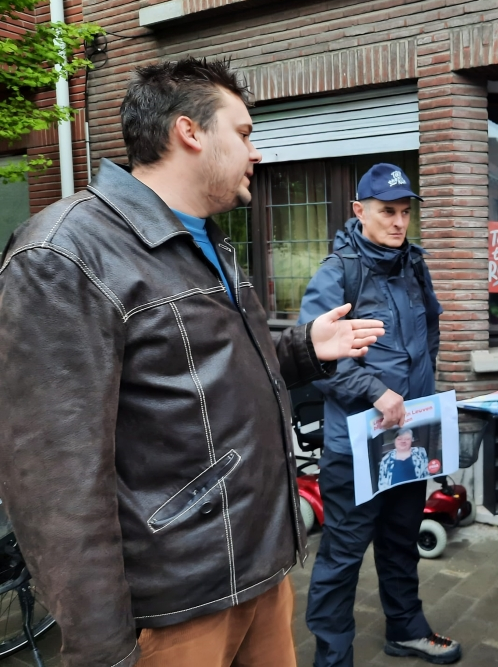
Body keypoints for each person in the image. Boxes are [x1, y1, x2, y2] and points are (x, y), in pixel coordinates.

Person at [0, 58, 385, 667]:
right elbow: (55, 480)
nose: (256, 151)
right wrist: (103, 650)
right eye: (245, 132)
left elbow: (202, 386)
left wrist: (303, 350)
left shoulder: (205, 240)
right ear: (190, 132)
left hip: (259, 571)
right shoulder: (64, 254)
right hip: (178, 606)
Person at [298, 163, 461, 666]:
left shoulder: (413, 264)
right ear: (359, 211)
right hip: (356, 445)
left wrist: (421, 398)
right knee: (343, 556)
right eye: (387, 211)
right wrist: (376, 392)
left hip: (408, 436)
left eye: (404, 212)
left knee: (400, 540)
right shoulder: (338, 273)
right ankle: (332, 657)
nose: (397, 222)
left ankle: (405, 629)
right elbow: (316, 357)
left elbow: (427, 334)